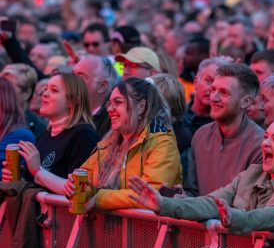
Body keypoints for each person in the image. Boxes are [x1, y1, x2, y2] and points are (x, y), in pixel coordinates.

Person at [128, 116, 274, 235]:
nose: (266, 144)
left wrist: (235, 217)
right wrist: (164, 204)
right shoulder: (253, 172)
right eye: (265, 137)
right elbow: (211, 202)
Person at [48, 77, 181, 211]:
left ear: (141, 106)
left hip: (148, 230)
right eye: (109, 103)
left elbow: (149, 195)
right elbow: (87, 178)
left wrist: (98, 199)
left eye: (118, 102)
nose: (110, 109)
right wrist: (76, 188)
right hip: (109, 230)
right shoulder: (109, 142)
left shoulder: (162, 143)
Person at [1, 72, 99, 183]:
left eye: (54, 90)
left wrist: (38, 171)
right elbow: (34, 183)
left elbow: (77, 189)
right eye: (46, 89)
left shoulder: (84, 135)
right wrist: (17, 179)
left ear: (73, 101)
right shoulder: (45, 135)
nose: (45, 94)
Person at [185, 63, 264, 197]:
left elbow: (246, 204)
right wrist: (179, 197)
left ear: (245, 102)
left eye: (224, 93)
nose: (213, 98)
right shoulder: (201, 135)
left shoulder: (260, 145)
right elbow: (192, 191)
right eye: (213, 89)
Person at [180, 57, 232, 139]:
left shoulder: (227, 128)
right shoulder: (178, 116)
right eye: (208, 81)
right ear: (196, 82)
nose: (212, 89)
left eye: (220, 85)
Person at [73, 55, 117, 138]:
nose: (71, 82)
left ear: (102, 86)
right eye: (73, 76)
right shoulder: (63, 113)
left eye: (80, 77)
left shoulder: (114, 122)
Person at [0, 63, 47, 139]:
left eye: (9, 88)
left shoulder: (40, 130)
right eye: (0, 87)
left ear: (26, 93)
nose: (1, 93)